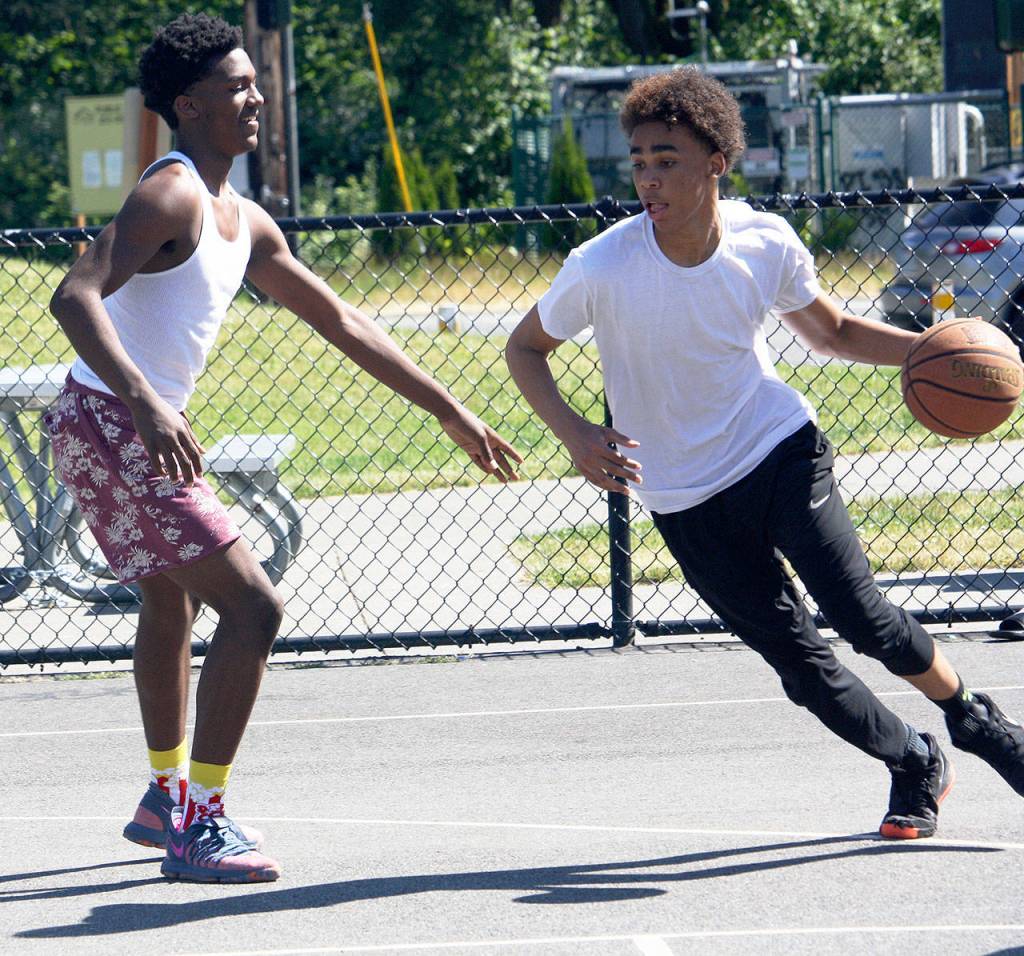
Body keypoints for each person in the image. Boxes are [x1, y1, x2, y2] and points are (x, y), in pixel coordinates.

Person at [48, 12, 520, 884]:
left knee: (171, 602)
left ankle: (164, 798)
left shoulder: (246, 221)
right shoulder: (173, 193)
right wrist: (147, 403)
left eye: (253, 81)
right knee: (255, 609)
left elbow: (340, 320)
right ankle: (201, 822)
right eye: (236, 85)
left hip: (104, 423)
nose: (255, 94)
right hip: (115, 424)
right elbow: (75, 296)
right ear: (187, 105)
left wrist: (448, 408)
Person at [505, 68, 1024, 840]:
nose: (649, 177)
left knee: (861, 615)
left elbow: (833, 333)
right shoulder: (603, 265)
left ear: (716, 160)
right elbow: (524, 348)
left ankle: (974, 720)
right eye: (640, 160)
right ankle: (913, 761)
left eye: (668, 159)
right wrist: (575, 432)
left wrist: (940, 354)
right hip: (680, 492)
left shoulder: (762, 241)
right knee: (800, 666)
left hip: (777, 449)